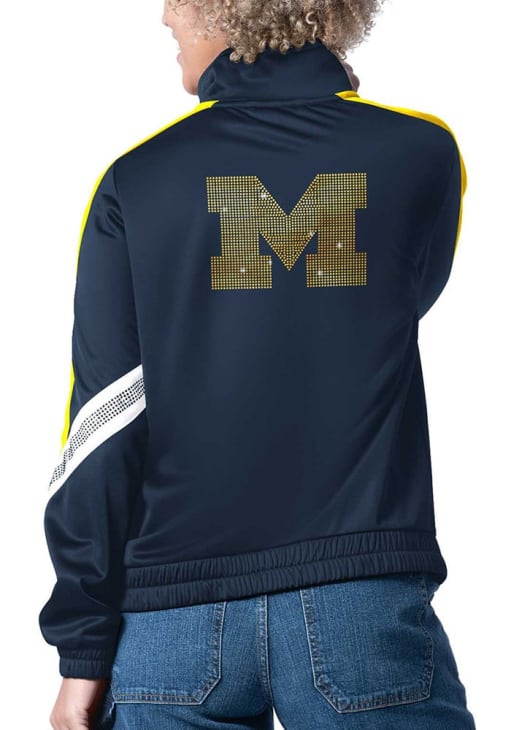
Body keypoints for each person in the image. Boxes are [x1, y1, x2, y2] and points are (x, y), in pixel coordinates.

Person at [38, 1, 476, 728]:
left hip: (173, 617)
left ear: (224, 8)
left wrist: (82, 646)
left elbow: (102, 424)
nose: (165, 14)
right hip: (359, 598)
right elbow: (392, 310)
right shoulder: (421, 152)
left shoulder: (139, 179)